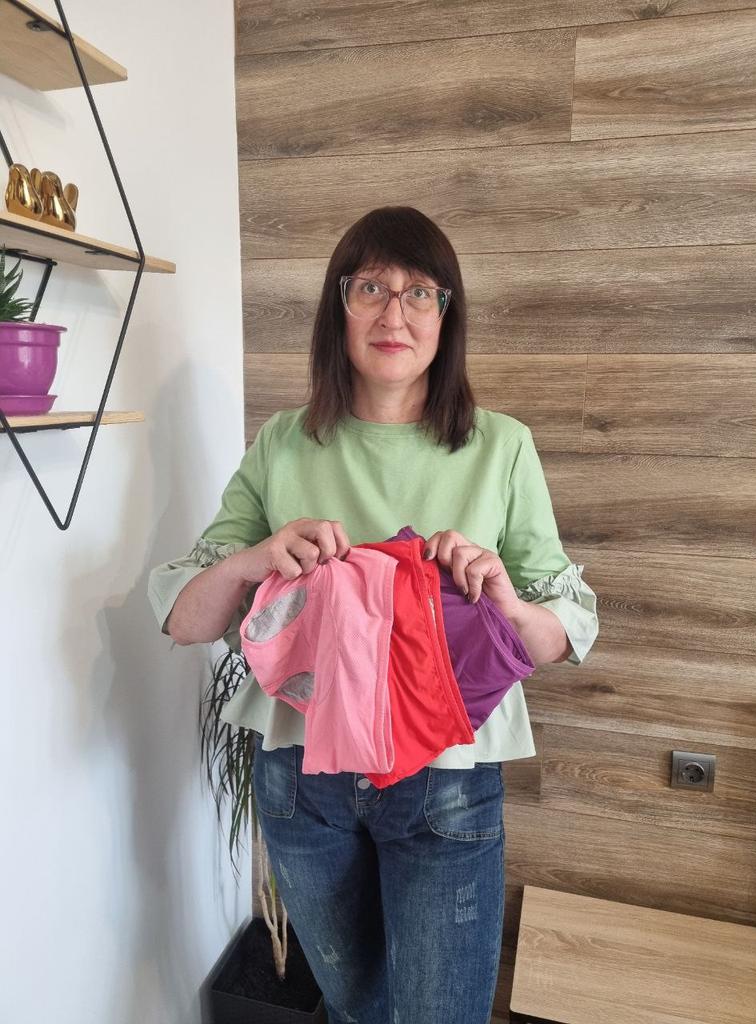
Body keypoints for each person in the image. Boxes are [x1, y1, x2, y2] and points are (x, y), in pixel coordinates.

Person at [148, 205, 598, 1024]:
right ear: (339, 306)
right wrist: (257, 557)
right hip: (301, 778)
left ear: (447, 314)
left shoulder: (502, 446)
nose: (395, 313)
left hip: (448, 777)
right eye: (371, 289)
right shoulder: (283, 443)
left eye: (420, 292)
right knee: (356, 1007)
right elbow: (184, 619)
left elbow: (566, 628)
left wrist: (506, 601)